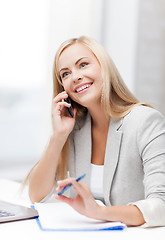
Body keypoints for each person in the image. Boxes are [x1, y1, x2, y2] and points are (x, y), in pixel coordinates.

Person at [27, 36, 165, 227]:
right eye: (65, 74)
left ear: (104, 67)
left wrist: (100, 213)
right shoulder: (74, 128)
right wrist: (58, 136)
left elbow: (161, 206)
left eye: (83, 65)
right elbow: (36, 195)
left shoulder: (145, 121)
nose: (75, 77)